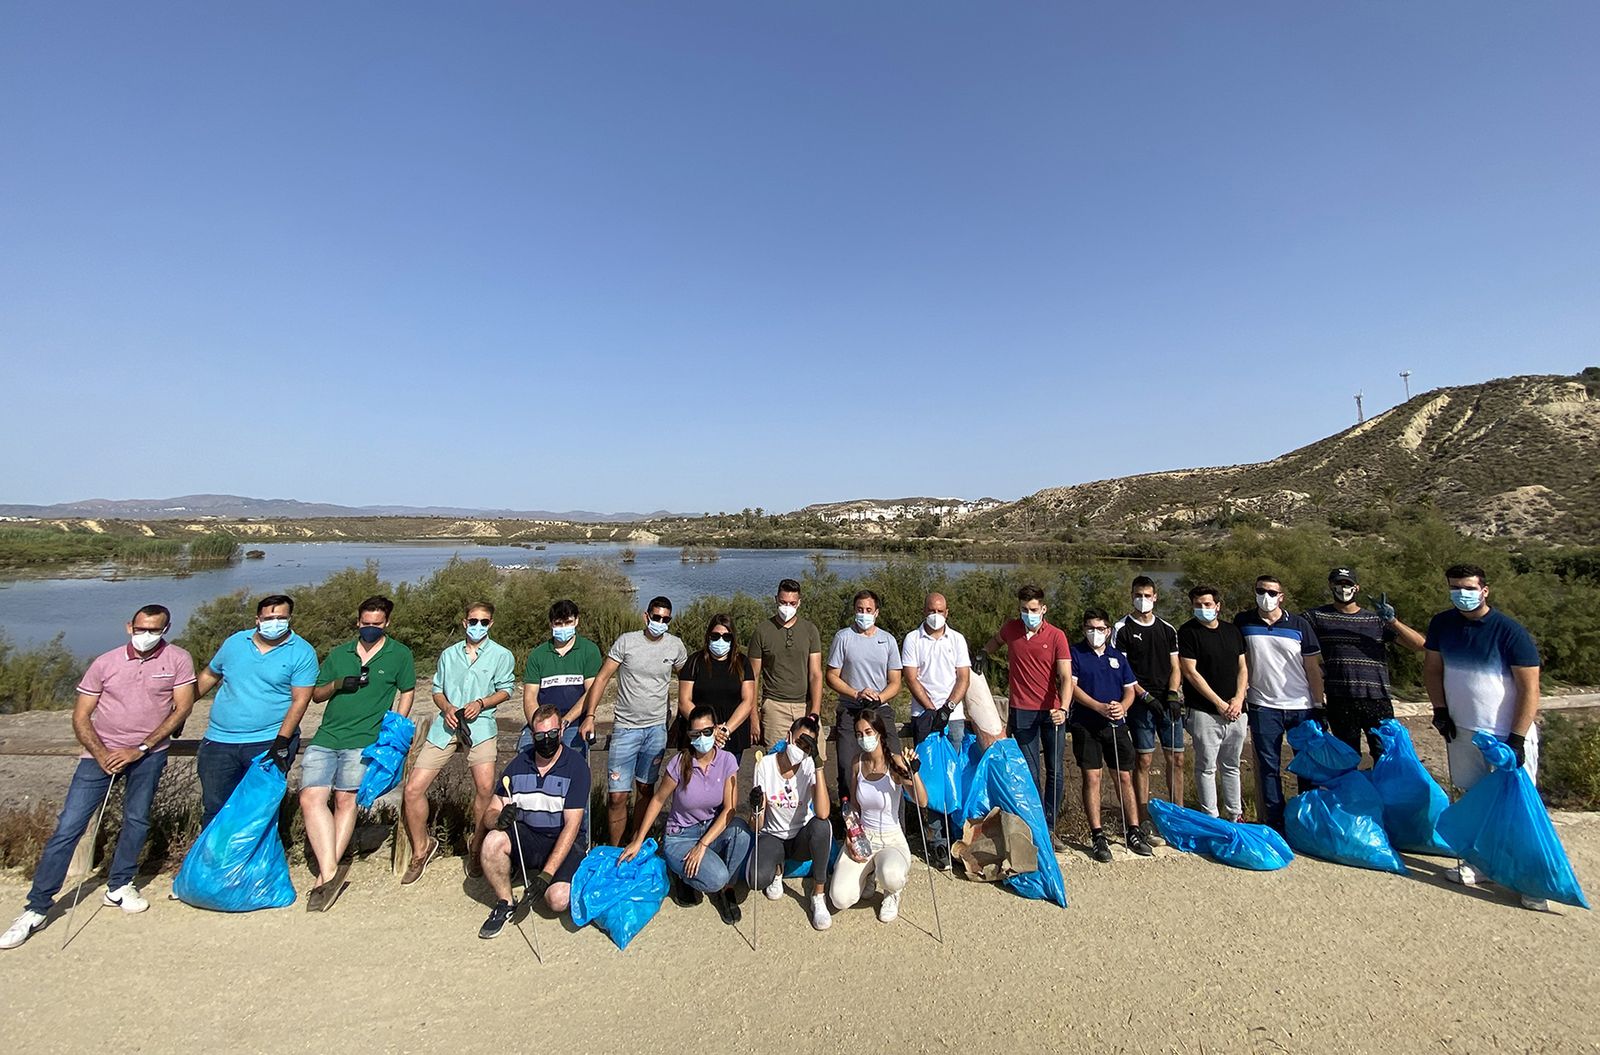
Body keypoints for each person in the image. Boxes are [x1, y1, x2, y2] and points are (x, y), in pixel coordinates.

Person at [2, 606, 196, 950]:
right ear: (129, 627)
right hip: (97, 757)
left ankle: (119, 886)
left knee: (136, 820)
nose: (146, 634)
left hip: (147, 756)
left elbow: (182, 708)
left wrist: (142, 747)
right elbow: (81, 715)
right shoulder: (105, 663)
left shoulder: (178, 659)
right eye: (141, 628)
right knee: (69, 827)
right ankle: (36, 908)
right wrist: (102, 753)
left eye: (155, 629)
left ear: (166, 628)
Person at [1422, 563, 1546, 910]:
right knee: (1474, 800)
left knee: (1518, 807)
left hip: (1505, 736)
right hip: (1462, 731)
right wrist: (1440, 710)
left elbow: (1530, 689)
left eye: (1468, 587)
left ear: (1484, 590)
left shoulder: (1510, 632)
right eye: (1454, 587)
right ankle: (1479, 865)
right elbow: (1433, 668)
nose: (1461, 593)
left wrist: (1518, 738)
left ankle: (1530, 879)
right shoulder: (1442, 624)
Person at [299, 596, 415, 910]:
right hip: (327, 736)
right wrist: (338, 683)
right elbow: (317, 695)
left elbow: (407, 690)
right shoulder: (339, 654)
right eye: (366, 624)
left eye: (377, 624)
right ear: (358, 622)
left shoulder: (399, 654)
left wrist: (397, 724)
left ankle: (324, 876)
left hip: (365, 739)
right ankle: (330, 869)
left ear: (387, 624)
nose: (370, 629)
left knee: (345, 799)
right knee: (310, 798)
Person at [400, 601, 515, 885]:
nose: (478, 626)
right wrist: (447, 707)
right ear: (465, 623)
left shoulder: (502, 655)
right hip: (446, 726)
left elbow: (506, 690)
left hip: (481, 726)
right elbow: (437, 690)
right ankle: (421, 848)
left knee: (486, 789)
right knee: (413, 788)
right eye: (473, 621)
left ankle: (477, 846)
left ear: (491, 624)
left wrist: (481, 703)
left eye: (484, 622)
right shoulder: (449, 655)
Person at [194, 594, 318, 827]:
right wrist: (183, 708)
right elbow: (210, 675)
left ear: (290, 618)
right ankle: (214, 860)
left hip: (267, 741)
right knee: (215, 807)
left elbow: (300, 701)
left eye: (281, 617)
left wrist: (281, 743)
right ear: (257, 619)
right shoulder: (235, 643)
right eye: (269, 617)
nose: (275, 622)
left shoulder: (302, 652)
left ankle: (254, 861)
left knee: (259, 809)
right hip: (219, 740)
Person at [622, 705, 753, 925]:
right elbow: (658, 800)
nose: (701, 738)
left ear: (717, 729)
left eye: (707, 732)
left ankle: (725, 889)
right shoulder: (680, 763)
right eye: (695, 734)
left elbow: (730, 809)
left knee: (742, 833)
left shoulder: (727, 761)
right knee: (716, 877)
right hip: (681, 835)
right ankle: (682, 872)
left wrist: (702, 845)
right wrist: (638, 840)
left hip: (709, 831)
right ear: (689, 736)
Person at [580, 596, 688, 845]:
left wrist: (686, 716)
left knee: (646, 790)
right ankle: (616, 849)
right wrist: (590, 716)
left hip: (656, 730)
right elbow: (603, 677)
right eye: (656, 617)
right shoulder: (627, 642)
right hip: (626, 729)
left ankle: (636, 843)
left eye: (665, 619)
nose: (660, 622)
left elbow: (688, 679)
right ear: (646, 616)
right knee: (617, 796)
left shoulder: (675, 646)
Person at [476, 705, 589, 939]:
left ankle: (569, 877)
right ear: (532, 734)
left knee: (557, 901)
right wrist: (498, 819)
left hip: (563, 840)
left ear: (560, 732)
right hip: (529, 836)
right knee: (492, 841)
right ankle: (505, 901)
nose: (546, 740)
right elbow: (490, 812)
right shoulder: (517, 766)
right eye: (539, 736)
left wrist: (546, 876)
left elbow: (572, 827)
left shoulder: (576, 767)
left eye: (551, 734)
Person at [980, 585, 1072, 850]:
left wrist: (1063, 708)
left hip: (1052, 712)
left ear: (1043, 609)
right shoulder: (1011, 629)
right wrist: (984, 654)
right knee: (1029, 773)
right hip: (1021, 711)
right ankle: (1034, 827)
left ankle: (1051, 828)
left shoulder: (1056, 636)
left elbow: (1065, 677)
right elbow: (995, 641)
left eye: (1033, 610)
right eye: (1024, 609)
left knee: (1055, 771)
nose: (1028, 614)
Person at [1304, 567, 1425, 762]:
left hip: (1377, 698)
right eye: (1339, 584)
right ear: (1330, 586)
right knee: (1346, 758)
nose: (1344, 589)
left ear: (1357, 588)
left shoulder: (1376, 619)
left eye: (1348, 584)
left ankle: (1385, 792)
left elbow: (1419, 645)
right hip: (1340, 698)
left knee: (1386, 756)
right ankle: (1353, 793)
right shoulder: (1316, 617)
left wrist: (1393, 621)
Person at [1236, 574, 1325, 833]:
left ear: (1281, 596)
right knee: (1268, 767)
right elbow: (1239, 662)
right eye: (1261, 590)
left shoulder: (1299, 624)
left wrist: (1319, 705)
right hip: (1263, 705)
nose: (1267, 596)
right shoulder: (1243, 622)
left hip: (1301, 705)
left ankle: (1307, 821)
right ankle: (1276, 823)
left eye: (1272, 592)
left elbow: (1312, 667)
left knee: (1306, 766)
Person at [1069, 609, 1153, 862]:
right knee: (1092, 778)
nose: (1095, 633)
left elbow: (1130, 690)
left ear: (1108, 630)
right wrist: (1097, 706)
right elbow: (1071, 687)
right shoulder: (1075, 653)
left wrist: (1123, 707)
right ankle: (1097, 835)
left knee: (1124, 777)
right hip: (1086, 723)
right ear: (1084, 629)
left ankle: (1134, 830)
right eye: (1090, 628)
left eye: (1100, 628)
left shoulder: (1117, 657)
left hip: (1116, 726)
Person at [519, 599, 604, 847]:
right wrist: (539, 727)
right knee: (524, 761)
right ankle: (528, 837)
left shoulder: (589, 651)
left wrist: (566, 721)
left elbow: (590, 693)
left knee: (576, 776)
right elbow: (529, 697)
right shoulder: (538, 654)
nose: (563, 627)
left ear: (576, 621)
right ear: (551, 624)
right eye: (558, 623)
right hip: (541, 724)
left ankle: (579, 842)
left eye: (568, 622)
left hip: (573, 724)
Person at [828, 710, 926, 922]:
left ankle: (892, 893)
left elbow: (922, 801)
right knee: (840, 898)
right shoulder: (857, 762)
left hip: (891, 839)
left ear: (880, 732)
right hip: (864, 837)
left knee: (891, 876)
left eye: (868, 731)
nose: (864, 738)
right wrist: (849, 835)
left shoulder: (895, 762)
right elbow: (853, 806)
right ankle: (870, 874)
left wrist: (913, 773)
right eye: (859, 734)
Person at [900, 591, 971, 868]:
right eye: (931, 609)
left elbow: (963, 677)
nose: (936, 615)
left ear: (947, 612)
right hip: (924, 716)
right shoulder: (912, 639)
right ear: (924, 610)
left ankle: (956, 836)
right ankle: (936, 842)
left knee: (953, 776)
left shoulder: (957, 640)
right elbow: (911, 677)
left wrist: (948, 707)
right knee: (928, 779)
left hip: (953, 718)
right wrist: (931, 710)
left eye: (940, 610)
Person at [1112, 576, 1186, 822]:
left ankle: (1178, 815)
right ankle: (1142, 817)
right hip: (1141, 703)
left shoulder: (1167, 629)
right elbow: (1122, 671)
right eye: (1137, 595)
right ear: (1131, 596)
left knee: (1177, 758)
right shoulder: (1122, 629)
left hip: (1168, 703)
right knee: (1143, 759)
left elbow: (1175, 666)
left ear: (1155, 597)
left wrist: (1173, 695)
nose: (1142, 600)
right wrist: (1144, 696)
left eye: (1147, 595)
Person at [751, 715, 834, 931]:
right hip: (772, 835)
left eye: (808, 746)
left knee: (822, 827)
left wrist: (818, 765)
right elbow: (757, 825)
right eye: (798, 742)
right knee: (755, 879)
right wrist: (756, 808)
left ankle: (818, 894)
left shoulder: (808, 765)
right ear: (788, 737)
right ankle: (777, 871)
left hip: (800, 837)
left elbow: (823, 812)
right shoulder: (765, 765)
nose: (801, 749)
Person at [825, 590, 903, 808]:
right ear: (854, 611)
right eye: (860, 610)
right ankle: (849, 820)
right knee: (845, 765)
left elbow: (896, 681)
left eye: (869, 610)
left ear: (876, 612)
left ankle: (897, 820)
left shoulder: (887, 640)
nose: (864, 614)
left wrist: (880, 698)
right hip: (850, 709)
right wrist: (855, 693)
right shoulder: (843, 637)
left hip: (880, 710)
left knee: (894, 762)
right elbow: (831, 675)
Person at [1178, 586, 1249, 821]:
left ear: (1217, 606)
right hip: (1204, 711)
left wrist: (1238, 699)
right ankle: (1211, 816)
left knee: (1231, 765)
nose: (1203, 609)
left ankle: (1235, 814)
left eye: (1207, 604)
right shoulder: (1188, 632)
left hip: (1237, 711)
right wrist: (1219, 703)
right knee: (1206, 766)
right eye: (1198, 605)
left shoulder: (1232, 631)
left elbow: (1242, 667)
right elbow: (1190, 672)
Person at [748, 578, 824, 747]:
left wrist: (815, 712)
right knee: (776, 763)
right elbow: (752, 676)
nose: (787, 607)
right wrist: (753, 715)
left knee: (814, 763)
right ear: (776, 599)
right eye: (783, 602)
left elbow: (816, 674)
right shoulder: (762, 631)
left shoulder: (810, 630)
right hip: (774, 708)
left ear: (799, 603)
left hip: (805, 707)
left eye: (792, 603)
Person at [677, 613, 756, 766]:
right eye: (716, 636)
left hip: (732, 736)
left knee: (727, 785)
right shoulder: (694, 662)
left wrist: (725, 731)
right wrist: (710, 730)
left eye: (727, 637)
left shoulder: (742, 663)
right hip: (699, 736)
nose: (721, 640)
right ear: (708, 637)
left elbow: (748, 701)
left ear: (733, 640)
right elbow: (684, 701)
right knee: (694, 784)